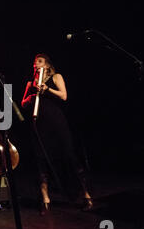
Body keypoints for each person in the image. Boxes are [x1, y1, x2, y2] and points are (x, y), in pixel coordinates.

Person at [21, 54, 94, 215]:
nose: (36, 65)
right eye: (34, 63)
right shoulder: (30, 83)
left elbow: (64, 96)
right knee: (41, 161)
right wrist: (32, 95)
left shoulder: (55, 77)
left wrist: (47, 89)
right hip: (39, 125)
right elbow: (23, 103)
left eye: (39, 62)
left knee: (69, 156)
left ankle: (86, 195)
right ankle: (45, 200)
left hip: (56, 123)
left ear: (47, 65)